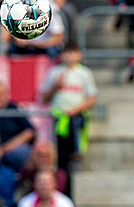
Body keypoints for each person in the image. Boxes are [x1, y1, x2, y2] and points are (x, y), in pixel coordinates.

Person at [40, 43, 98, 176]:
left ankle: (75, 159)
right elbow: (44, 98)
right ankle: (59, 168)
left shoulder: (84, 73)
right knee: (59, 149)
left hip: (77, 115)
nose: (69, 57)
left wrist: (75, 110)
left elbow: (91, 98)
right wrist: (55, 87)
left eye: (72, 53)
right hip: (58, 117)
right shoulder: (54, 72)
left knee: (75, 138)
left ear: (79, 55)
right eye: (67, 53)